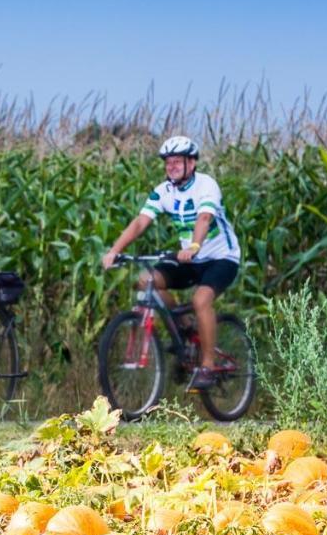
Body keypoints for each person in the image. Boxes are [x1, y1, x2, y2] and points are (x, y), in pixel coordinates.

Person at [101, 135, 241, 390]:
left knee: (201, 300)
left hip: (221, 257)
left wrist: (195, 246)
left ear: (192, 163)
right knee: (146, 282)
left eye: (178, 161)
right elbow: (140, 222)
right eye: (168, 162)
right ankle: (186, 330)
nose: (172, 167)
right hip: (189, 258)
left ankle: (208, 366)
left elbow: (204, 219)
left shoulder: (206, 185)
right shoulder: (163, 191)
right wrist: (114, 251)